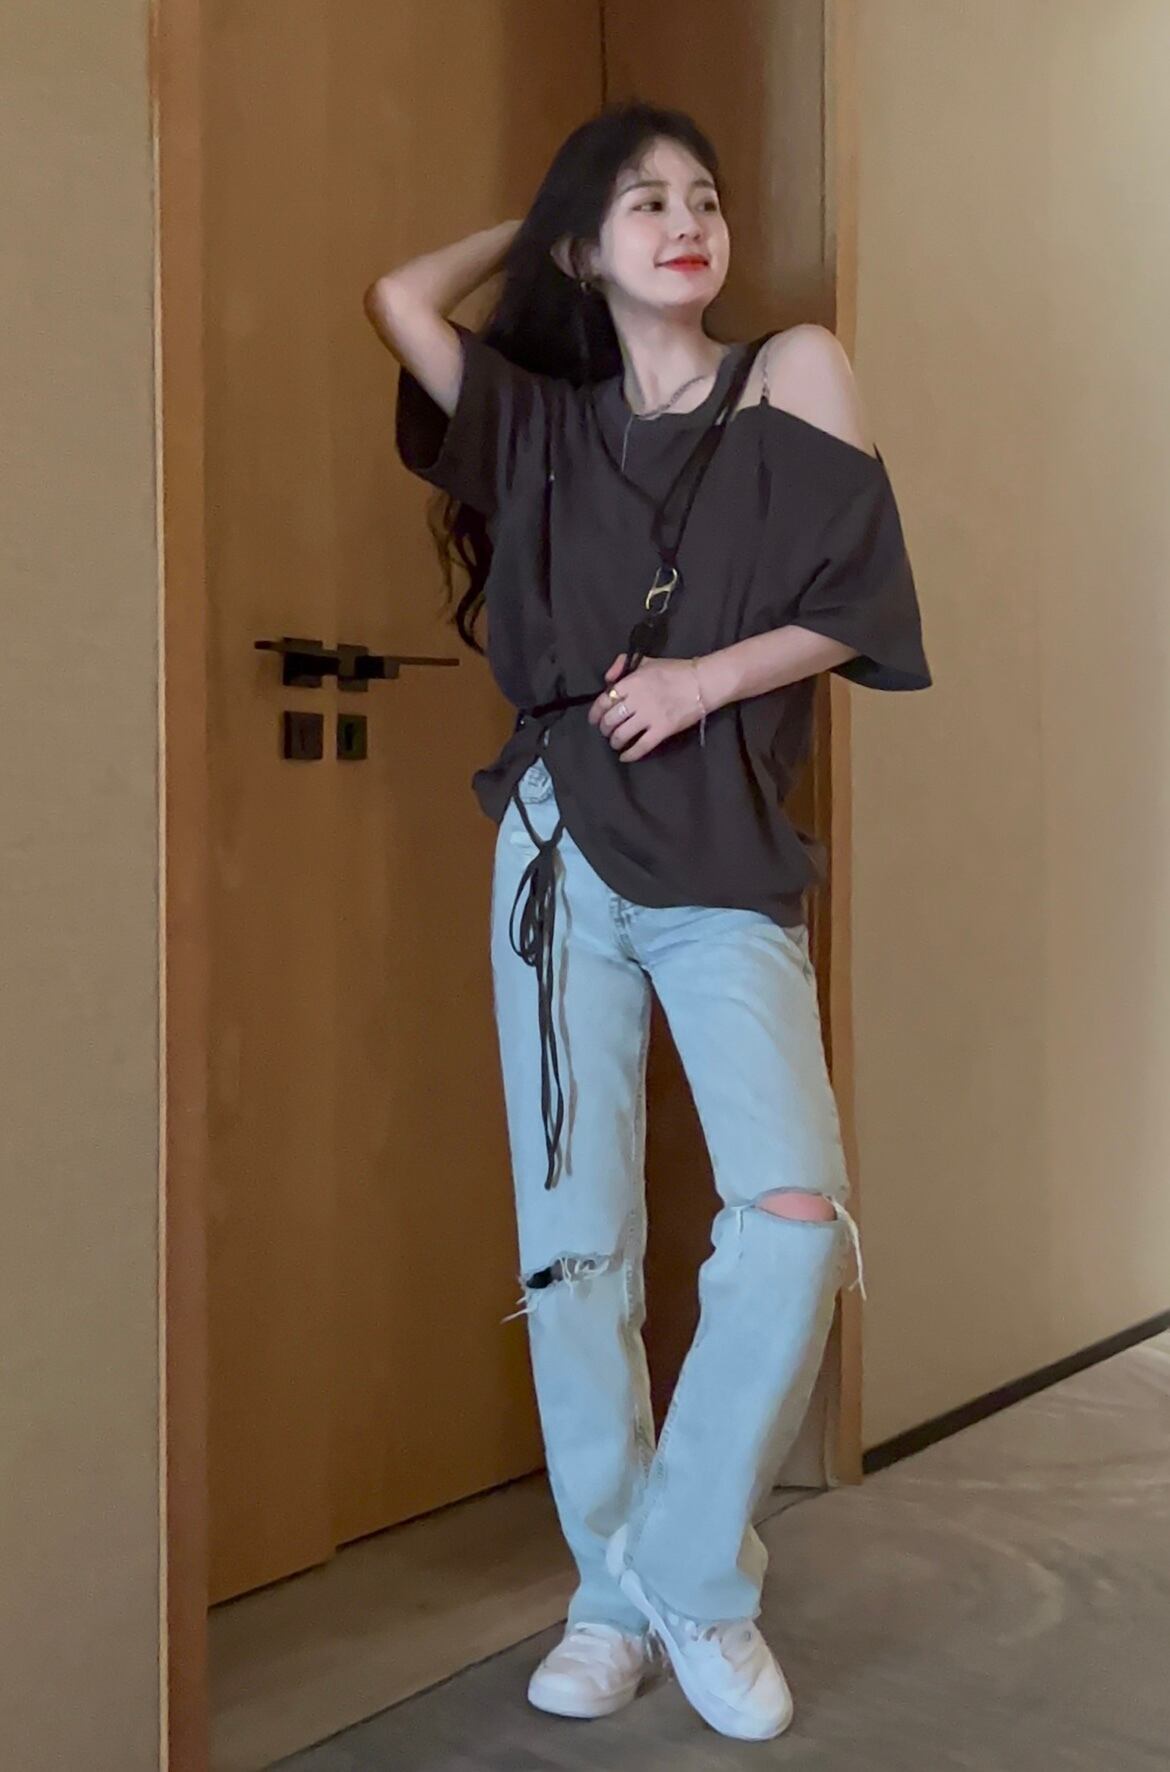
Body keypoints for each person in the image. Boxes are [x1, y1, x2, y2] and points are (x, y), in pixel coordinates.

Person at [365, 100, 931, 1744]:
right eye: (641, 204)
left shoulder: (789, 372)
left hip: (719, 844)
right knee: (575, 1249)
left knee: (791, 1212)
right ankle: (610, 1601)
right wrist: (546, 202)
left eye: (700, 198)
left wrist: (700, 680)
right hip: (555, 850)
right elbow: (399, 300)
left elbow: (853, 600)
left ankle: (686, 1571)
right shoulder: (539, 426)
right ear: (583, 247)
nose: (685, 223)